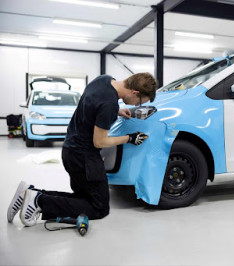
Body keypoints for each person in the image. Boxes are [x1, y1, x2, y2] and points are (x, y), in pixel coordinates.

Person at [7, 73, 157, 226]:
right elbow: (100, 142)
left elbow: (93, 104)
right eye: (138, 102)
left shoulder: (104, 80)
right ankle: (39, 201)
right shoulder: (109, 104)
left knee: (83, 199)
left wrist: (117, 111)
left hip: (70, 150)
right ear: (135, 92)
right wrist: (130, 138)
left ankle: (29, 193)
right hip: (84, 158)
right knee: (99, 208)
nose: (135, 106)